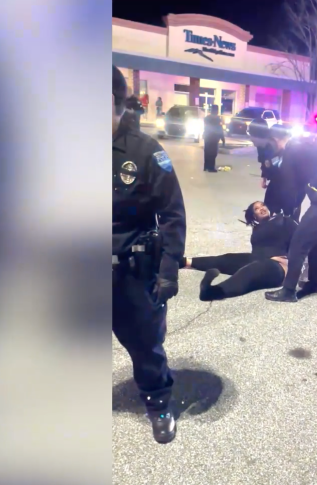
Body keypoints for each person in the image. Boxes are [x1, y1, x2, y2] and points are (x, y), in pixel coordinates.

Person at [112, 66, 186, 443]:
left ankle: (158, 403)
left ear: (115, 103)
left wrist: (168, 270)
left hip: (129, 273)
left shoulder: (145, 152)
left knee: (145, 346)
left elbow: (172, 214)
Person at [264, 123, 317, 303]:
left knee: (298, 243)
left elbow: (290, 187)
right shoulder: (303, 146)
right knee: (315, 241)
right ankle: (316, 283)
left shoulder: (291, 151)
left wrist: (286, 213)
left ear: (276, 139)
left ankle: (288, 291)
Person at [180, 201, 297, 301]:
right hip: (256, 259)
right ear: (254, 216)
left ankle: (212, 292)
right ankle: (184, 261)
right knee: (226, 259)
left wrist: (296, 266)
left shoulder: (284, 220)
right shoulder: (257, 229)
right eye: (256, 209)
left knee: (250, 271)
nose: (261, 208)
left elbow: (302, 241)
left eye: (263, 205)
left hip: (277, 266)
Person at [249, 118, 305, 222]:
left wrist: (294, 200)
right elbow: (264, 162)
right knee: (268, 209)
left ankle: (291, 231)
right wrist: (264, 176)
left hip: (292, 185)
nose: (251, 140)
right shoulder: (261, 146)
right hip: (276, 181)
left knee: (290, 217)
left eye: (251, 137)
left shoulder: (279, 146)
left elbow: (294, 174)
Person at [203, 105, 223, 172]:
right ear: (216, 111)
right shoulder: (218, 119)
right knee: (213, 153)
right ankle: (211, 167)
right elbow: (220, 129)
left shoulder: (206, 118)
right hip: (214, 138)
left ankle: (206, 166)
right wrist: (222, 138)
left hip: (207, 137)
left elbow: (205, 127)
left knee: (207, 152)